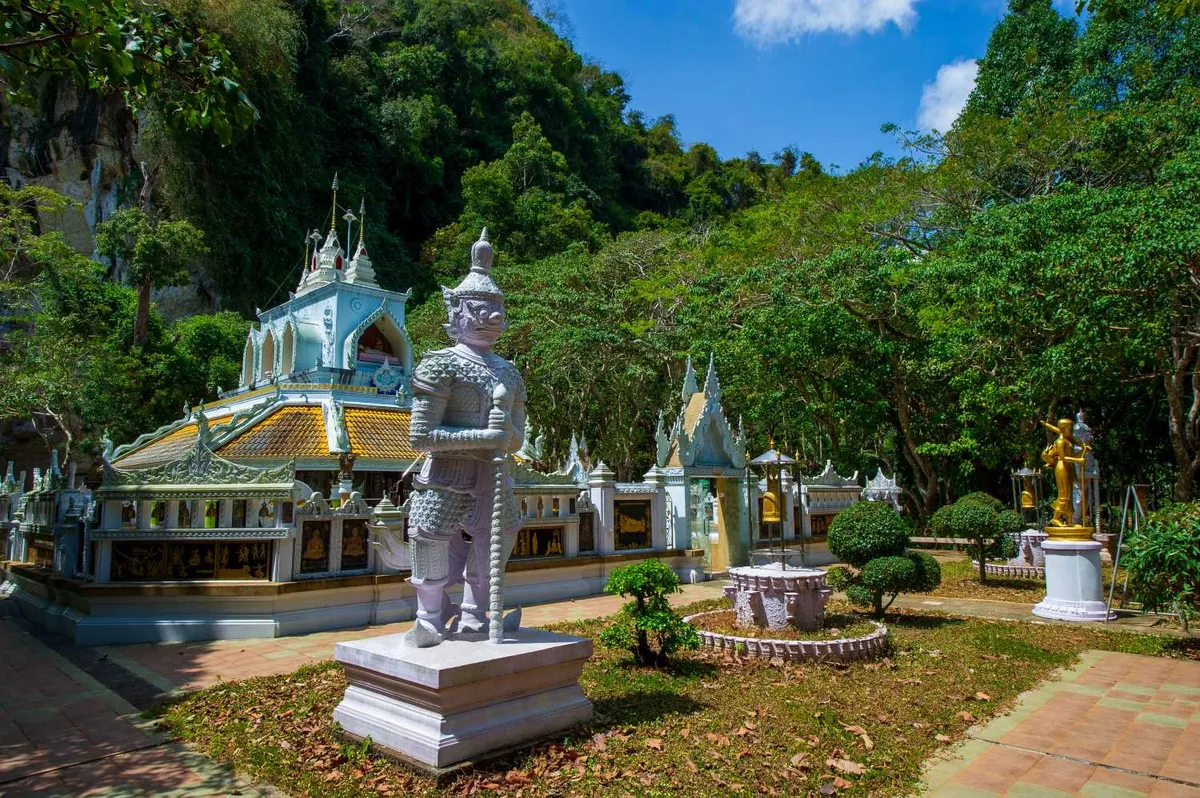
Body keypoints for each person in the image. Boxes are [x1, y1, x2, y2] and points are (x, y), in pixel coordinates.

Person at [404, 229, 526, 647]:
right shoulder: (440, 365)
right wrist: (486, 435)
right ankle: (429, 617)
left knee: (500, 538)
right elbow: (421, 436)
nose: (492, 318)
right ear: (456, 311)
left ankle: (475, 611)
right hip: (446, 473)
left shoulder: (509, 372)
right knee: (429, 536)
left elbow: (517, 437)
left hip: (495, 474)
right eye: (480, 309)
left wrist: (506, 437)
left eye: (497, 310)